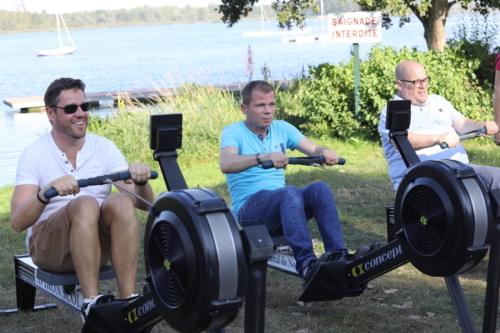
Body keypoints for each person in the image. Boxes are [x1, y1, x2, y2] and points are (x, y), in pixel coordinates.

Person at [10, 78, 154, 323]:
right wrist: (45, 194)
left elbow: (144, 204)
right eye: (70, 109)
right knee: (85, 203)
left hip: (96, 246)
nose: (80, 114)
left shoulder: (104, 147)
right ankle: (91, 303)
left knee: (121, 202)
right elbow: (17, 222)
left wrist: (141, 181)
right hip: (49, 248)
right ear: (50, 114)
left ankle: (128, 298)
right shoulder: (35, 153)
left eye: (84, 107)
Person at [219, 80, 368, 286]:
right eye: (260, 105)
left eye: (271, 104)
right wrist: (263, 156)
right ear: (245, 108)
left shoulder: (282, 128)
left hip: (283, 206)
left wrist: (324, 152)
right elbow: (226, 163)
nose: (268, 111)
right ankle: (307, 265)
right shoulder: (233, 131)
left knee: (319, 189)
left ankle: (338, 256)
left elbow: (314, 149)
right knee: (288, 192)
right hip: (250, 212)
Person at [379, 60, 500, 191]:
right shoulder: (393, 110)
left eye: (425, 80)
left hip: (460, 169)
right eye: (416, 82)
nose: (423, 86)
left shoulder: (438, 101)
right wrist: (438, 139)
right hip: (422, 178)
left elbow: (462, 123)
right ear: (400, 84)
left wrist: (481, 124)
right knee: (460, 199)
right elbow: (400, 140)